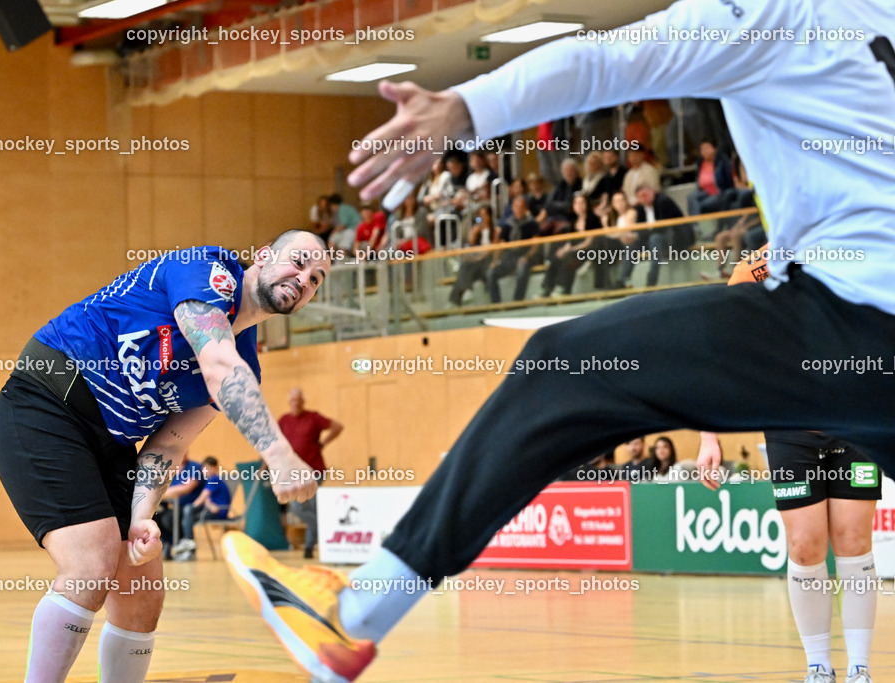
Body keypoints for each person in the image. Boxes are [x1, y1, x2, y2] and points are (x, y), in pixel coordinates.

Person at [222, 1, 895, 681]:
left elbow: (602, 62)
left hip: (857, 313)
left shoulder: (769, 11)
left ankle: (357, 615)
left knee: (567, 360)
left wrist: (459, 111)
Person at [0, 231, 328, 682]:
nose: (303, 279)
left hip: (111, 443)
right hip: (44, 401)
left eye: (316, 279)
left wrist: (142, 514)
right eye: (298, 262)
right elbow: (218, 364)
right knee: (91, 566)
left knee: (142, 591)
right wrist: (279, 453)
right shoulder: (207, 271)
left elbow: (168, 445)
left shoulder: (246, 356)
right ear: (264, 257)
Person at [695, 250, 879, 683]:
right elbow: (722, 355)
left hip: (855, 423)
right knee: (805, 546)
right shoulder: (756, 267)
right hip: (789, 427)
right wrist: (708, 436)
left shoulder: (862, 247)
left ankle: (859, 669)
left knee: (854, 539)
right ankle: (818, 666)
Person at [277, 388, 343, 558]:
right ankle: (324, 529)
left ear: (303, 401)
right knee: (299, 508)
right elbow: (275, 444)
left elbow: (337, 426)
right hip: (294, 472)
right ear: (289, 402)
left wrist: (324, 443)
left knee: (312, 506)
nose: (296, 403)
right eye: (293, 400)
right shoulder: (284, 421)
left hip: (315, 471)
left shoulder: (313, 417)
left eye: (299, 399)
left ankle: (308, 549)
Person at [192, 456, 233, 522]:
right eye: (206, 468)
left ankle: (185, 532)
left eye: (210, 468)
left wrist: (191, 507)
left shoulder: (214, 479)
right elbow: (206, 499)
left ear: (215, 468)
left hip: (219, 513)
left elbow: (202, 498)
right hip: (215, 510)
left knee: (190, 516)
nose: (208, 471)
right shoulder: (212, 480)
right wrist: (210, 505)